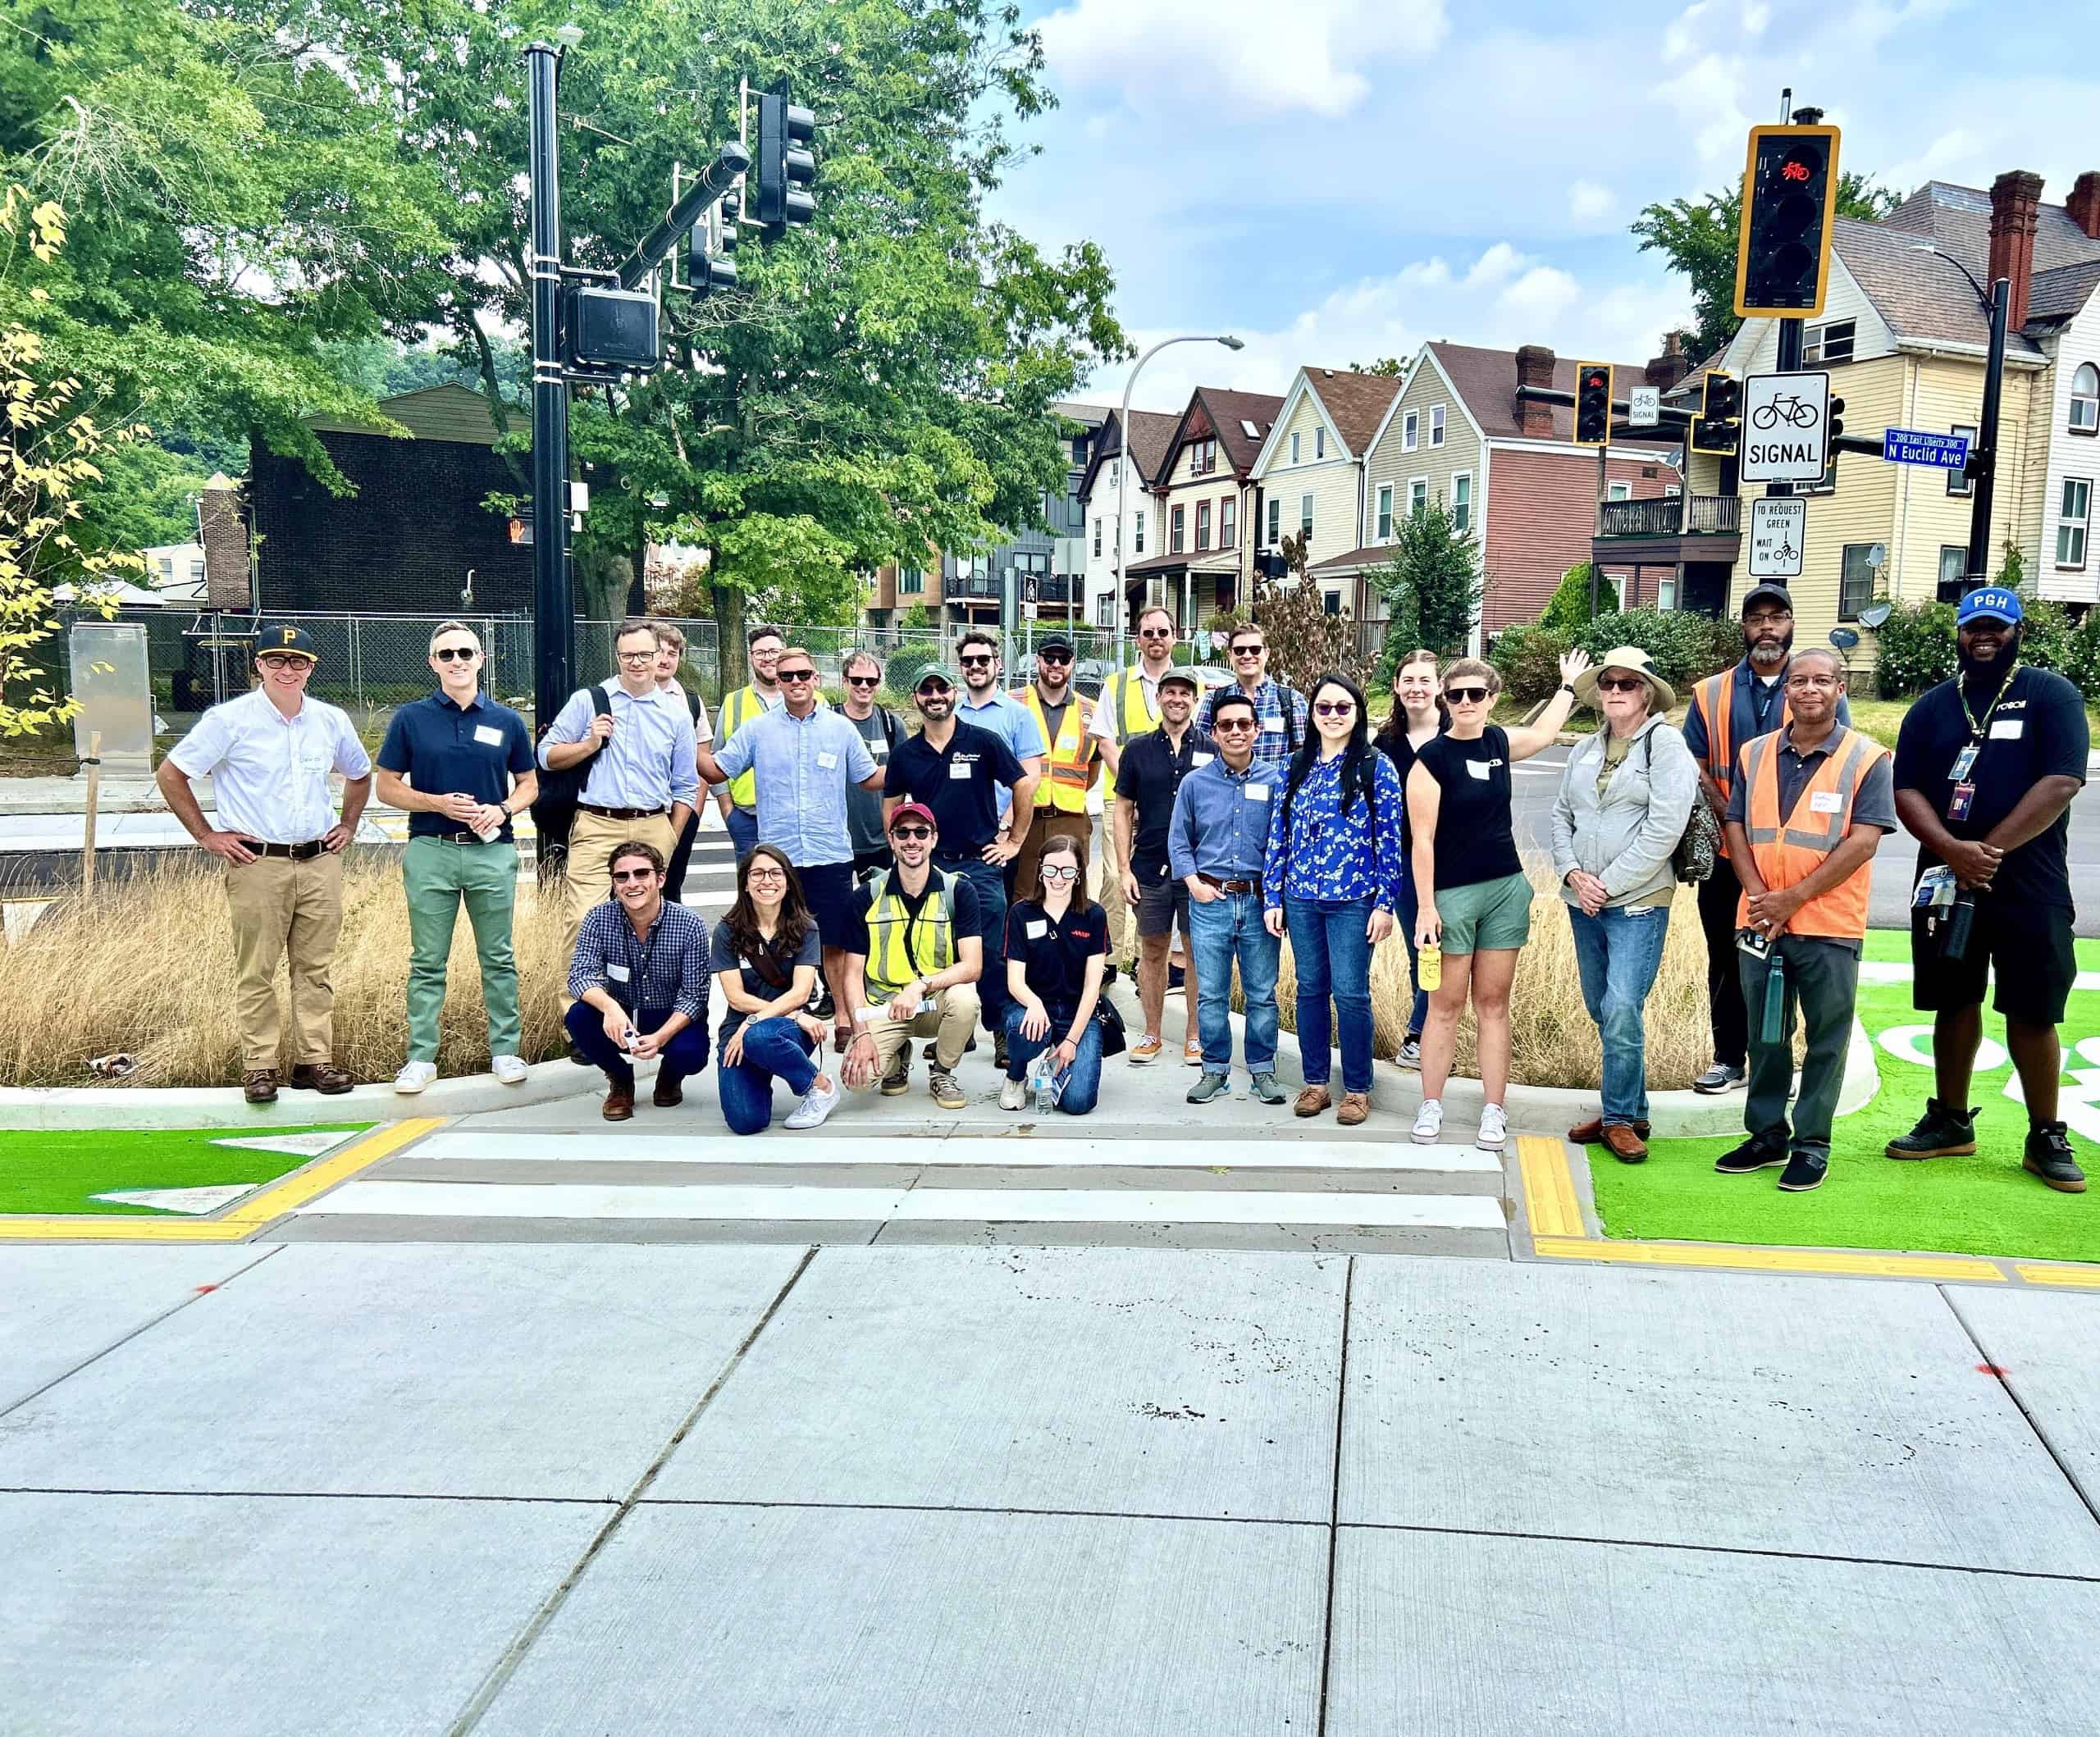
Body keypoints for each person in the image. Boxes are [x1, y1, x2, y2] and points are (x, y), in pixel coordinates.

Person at [1887, 587, 2088, 1192]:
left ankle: (2046, 1133)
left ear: (2018, 632)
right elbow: (1907, 790)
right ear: (1958, 633)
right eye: (1974, 626)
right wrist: (1954, 852)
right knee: (1953, 997)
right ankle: (1950, 1120)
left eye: (1997, 627)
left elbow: (2061, 782)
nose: (1984, 636)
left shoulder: (2051, 695)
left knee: (2032, 1005)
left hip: (2030, 880)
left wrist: (1988, 851)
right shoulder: (1932, 707)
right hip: (1947, 878)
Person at [157, 623, 372, 1104]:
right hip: (259, 862)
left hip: (320, 861)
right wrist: (207, 835)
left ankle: (314, 1061)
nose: (287, 670)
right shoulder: (228, 720)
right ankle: (260, 1066)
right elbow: (171, 773)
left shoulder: (331, 720)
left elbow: (360, 775)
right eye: (276, 660)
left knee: (314, 968)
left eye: (298, 662)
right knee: (257, 970)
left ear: (311, 669)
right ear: (258, 665)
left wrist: (349, 825)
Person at [1714, 648, 1894, 1193]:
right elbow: (1738, 827)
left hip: (1828, 926)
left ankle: (1812, 1144)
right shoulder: (1754, 753)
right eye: (1799, 681)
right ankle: (1767, 1134)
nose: (1809, 689)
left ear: (1841, 689)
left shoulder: (1868, 759)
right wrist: (1758, 896)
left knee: (1826, 1038)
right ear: (1786, 690)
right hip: (1761, 920)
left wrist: (1791, 899)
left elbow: (1863, 842)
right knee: (1766, 1036)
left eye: (1822, 680)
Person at [1408, 650, 1591, 1152]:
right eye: (1456, 694)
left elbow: (1547, 733)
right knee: (1444, 1005)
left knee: (1493, 1003)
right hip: (1451, 896)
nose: (1466, 702)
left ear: (1492, 699)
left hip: (1507, 889)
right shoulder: (1431, 760)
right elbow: (1421, 841)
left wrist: (1568, 686)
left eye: (1477, 694)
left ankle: (1494, 1110)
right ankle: (1431, 1104)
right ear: (1445, 700)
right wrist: (1426, 907)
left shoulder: (1499, 742)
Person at [1682, 583, 1851, 1095]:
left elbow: (1839, 762)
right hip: (1727, 854)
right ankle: (1728, 1058)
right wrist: (1726, 808)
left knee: (1792, 956)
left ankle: (1780, 1062)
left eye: (1777, 617)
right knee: (1727, 955)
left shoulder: (1814, 688)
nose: (1767, 627)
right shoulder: (1710, 692)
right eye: (1757, 618)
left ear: (1792, 624)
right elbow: (1690, 760)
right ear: (1744, 627)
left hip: (1793, 862)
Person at [373, 621, 538, 1094]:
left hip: (491, 852)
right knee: (428, 960)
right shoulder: (411, 718)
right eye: (446, 655)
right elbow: (386, 787)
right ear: (433, 664)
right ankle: (421, 1057)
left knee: (499, 957)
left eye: (466, 652)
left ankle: (506, 1050)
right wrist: (438, 802)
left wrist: (502, 808)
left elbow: (530, 784)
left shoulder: (505, 721)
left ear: (481, 659)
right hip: (431, 850)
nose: (457, 661)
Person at [1550, 646, 1699, 1162]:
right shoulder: (1585, 748)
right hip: (1582, 899)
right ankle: (1632, 1109)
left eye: (1628, 683)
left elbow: (1665, 827)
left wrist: (1607, 884)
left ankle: (1616, 1119)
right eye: (1608, 682)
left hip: (1636, 898)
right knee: (1601, 1005)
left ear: (1646, 693)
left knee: (1620, 1005)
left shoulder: (1666, 746)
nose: (1616, 690)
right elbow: (1562, 814)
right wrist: (1572, 873)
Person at [698, 645, 881, 1054]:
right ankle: (781, 1015)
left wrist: (921, 764)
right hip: (777, 859)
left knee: (833, 940)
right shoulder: (758, 730)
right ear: (776, 682)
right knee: (779, 940)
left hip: (829, 853)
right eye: (787, 676)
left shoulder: (840, 728)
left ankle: (844, 1019)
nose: (796, 681)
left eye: (804, 674)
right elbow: (716, 768)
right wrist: (684, 737)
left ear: (816, 678)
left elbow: (869, 778)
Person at [1263, 674, 1405, 1126]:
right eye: (1324, 708)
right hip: (1301, 897)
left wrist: (1385, 903)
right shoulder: (1294, 765)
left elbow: (1390, 839)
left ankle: (1358, 1089)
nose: (1333, 716)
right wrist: (1273, 895)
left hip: (1354, 900)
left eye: (1343, 708)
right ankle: (1316, 1083)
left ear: (1358, 713)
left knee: (1351, 994)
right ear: (1312, 714)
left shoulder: (1375, 766)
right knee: (1309, 990)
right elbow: (1277, 835)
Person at [883, 668, 1039, 1064]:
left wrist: (1015, 840)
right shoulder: (906, 754)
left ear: (954, 693)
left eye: (941, 688)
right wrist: (902, 853)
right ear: (916, 698)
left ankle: (1002, 1028)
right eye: (926, 690)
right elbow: (892, 806)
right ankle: (956, 1027)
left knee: (990, 951)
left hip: (980, 865)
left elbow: (1022, 783)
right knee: (936, 951)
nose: (935, 696)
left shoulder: (982, 741)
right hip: (930, 869)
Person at [538, 618, 698, 955]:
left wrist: (670, 836)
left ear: (658, 656)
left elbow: (685, 785)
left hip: (653, 824)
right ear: (617, 656)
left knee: (649, 922)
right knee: (582, 920)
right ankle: (576, 1008)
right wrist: (589, 744)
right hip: (597, 823)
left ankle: (641, 1003)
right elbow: (545, 755)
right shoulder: (590, 701)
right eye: (628, 656)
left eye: (644, 654)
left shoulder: (676, 715)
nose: (636, 663)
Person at [1169, 691, 1286, 1107]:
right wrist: (1194, 884)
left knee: (1262, 994)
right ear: (1214, 733)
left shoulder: (1276, 781)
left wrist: (1277, 898)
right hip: (1210, 901)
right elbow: (1178, 841)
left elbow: (1284, 844)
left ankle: (1262, 1071)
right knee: (1212, 994)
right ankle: (1214, 1071)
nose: (1235, 731)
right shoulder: (1195, 783)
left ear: (1256, 730)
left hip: (1258, 904)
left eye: (1243, 724)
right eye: (1226, 725)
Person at [839, 802, 984, 1110]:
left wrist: (920, 986)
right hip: (884, 1007)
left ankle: (942, 1072)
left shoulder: (958, 891)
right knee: (858, 1080)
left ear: (933, 838)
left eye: (921, 832)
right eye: (902, 833)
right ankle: (897, 1055)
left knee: (966, 1001)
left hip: (934, 1001)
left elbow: (973, 966)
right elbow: (851, 975)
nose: (912, 840)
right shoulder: (866, 896)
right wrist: (860, 1033)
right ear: (891, 841)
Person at [563, 839, 711, 1122]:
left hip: (670, 1014)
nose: (632, 883)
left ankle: (670, 1076)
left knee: (692, 1054)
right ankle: (620, 1080)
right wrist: (610, 1008)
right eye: (622, 876)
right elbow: (580, 975)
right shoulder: (598, 918)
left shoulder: (689, 924)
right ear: (614, 883)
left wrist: (660, 1037)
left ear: (660, 878)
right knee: (578, 1017)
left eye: (641, 874)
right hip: (622, 1016)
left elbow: (694, 996)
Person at [1112, 668, 1213, 1064]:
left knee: (1193, 952)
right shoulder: (1137, 751)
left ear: (1195, 699)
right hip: (1150, 867)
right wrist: (1124, 868)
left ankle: (1193, 1036)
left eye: (1185, 693)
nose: (1177, 699)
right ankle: (1152, 1034)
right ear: (1159, 698)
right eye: (1170, 691)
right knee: (1152, 950)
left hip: (1198, 871)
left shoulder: (1210, 747)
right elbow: (1123, 810)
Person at [710, 845, 841, 1135]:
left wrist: (755, 1021)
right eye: (757, 873)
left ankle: (821, 1087)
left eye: (774, 873)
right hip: (748, 1029)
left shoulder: (805, 927)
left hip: (786, 1032)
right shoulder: (727, 931)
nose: (766, 880)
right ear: (745, 883)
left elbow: (801, 993)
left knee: (760, 1036)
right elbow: (736, 997)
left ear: (787, 882)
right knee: (746, 1122)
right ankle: (761, 1072)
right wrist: (792, 1016)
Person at [1093, 604, 1181, 960]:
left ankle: (1168, 960)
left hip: (1175, 801)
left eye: (1162, 632)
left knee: (1174, 880)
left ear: (1174, 636)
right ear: (1137, 640)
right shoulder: (1116, 685)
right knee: (1116, 879)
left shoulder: (1192, 684)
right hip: (1123, 798)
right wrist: (1135, 785)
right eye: (1149, 633)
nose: (1156, 639)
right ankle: (1109, 959)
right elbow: (1104, 740)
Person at [1372, 650, 1446, 1069]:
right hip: (1402, 860)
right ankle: (1422, 1033)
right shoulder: (1385, 744)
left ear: (1438, 687)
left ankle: (1424, 1032)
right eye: (1408, 680)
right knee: (1421, 949)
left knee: (1443, 949)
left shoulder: (1459, 732)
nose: (1416, 688)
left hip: (1453, 861)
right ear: (1397, 687)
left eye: (1425, 680)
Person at [999, 836, 1107, 1115]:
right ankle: (1016, 1074)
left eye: (1067, 871)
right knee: (1023, 1028)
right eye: (1051, 869)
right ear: (1040, 870)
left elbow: (1092, 987)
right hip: (1032, 1008)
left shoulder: (1094, 916)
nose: (1058, 879)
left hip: (1076, 1013)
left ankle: (1057, 1054)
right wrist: (1035, 1004)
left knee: (1078, 1103)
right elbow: (1015, 981)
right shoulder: (1021, 913)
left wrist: (1071, 1041)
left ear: (1079, 875)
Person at [1008, 634, 1100, 898]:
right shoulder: (1014, 703)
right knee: (1025, 894)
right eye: (1049, 658)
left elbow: (1091, 772)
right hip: (1025, 818)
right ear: (1038, 661)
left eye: (1064, 658)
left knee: (1070, 894)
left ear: (1072, 663)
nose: (1056, 664)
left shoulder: (1090, 711)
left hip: (1070, 819)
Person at [955, 628, 1048, 837]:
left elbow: (1031, 778)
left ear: (998, 664)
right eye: (968, 661)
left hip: (997, 831)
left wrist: (1006, 826)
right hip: (954, 830)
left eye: (983, 660)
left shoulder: (1020, 716)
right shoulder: (951, 716)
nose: (975, 666)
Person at [648, 623, 715, 904]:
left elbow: (701, 762)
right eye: (659, 651)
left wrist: (693, 813)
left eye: (672, 653)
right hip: (639, 811)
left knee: (672, 884)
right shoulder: (619, 697)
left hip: (679, 811)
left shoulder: (690, 702)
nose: (665, 659)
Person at [1194, 622, 1308, 776]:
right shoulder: (1213, 700)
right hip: (1225, 794)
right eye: (1240, 650)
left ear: (1267, 653)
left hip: (1274, 794)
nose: (1247, 656)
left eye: (1255, 650)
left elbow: (1303, 759)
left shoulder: (1291, 701)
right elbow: (1201, 752)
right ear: (1230, 655)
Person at [713, 625, 787, 859]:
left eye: (774, 651)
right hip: (746, 818)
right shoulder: (733, 702)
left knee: (799, 891)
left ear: (784, 654)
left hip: (795, 820)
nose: (768, 658)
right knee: (753, 890)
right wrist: (728, 811)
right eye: (760, 653)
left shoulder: (813, 700)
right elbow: (717, 756)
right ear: (751, 657)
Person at [840, 650, 906, 882]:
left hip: (880, 840)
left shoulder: (891, 725)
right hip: (838, 840)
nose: (864, 686)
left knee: (879, 912)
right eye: (857, 680)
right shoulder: (830, 721)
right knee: (836, 914)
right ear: (845, 681)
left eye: (871, 680)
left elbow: (904, 779)